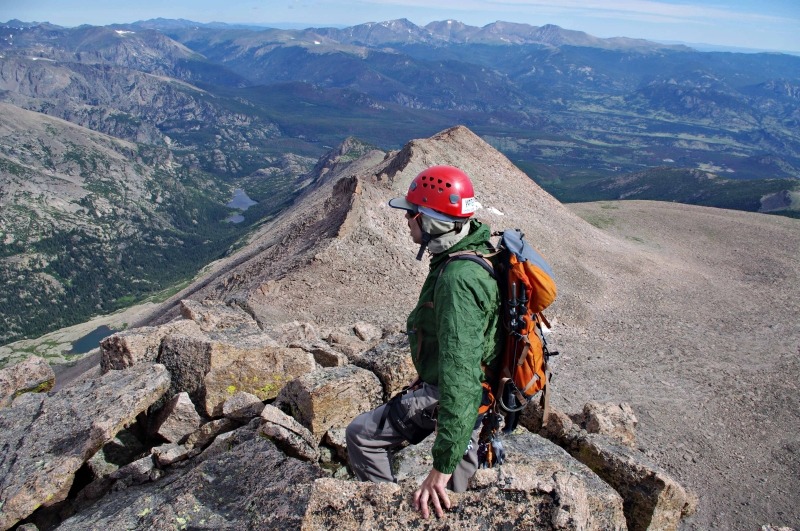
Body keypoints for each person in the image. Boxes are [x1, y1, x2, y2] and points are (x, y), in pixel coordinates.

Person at [345, 165, 502, 519]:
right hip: (483, 391)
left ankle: (390, 519)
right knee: (456, 499)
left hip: (465, 395)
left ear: (431, 222)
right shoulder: (472, 251)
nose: (407, 221)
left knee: (362, 435)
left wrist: (440, 466)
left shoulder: (457, 280)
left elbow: (461, 378)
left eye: (412, 214)